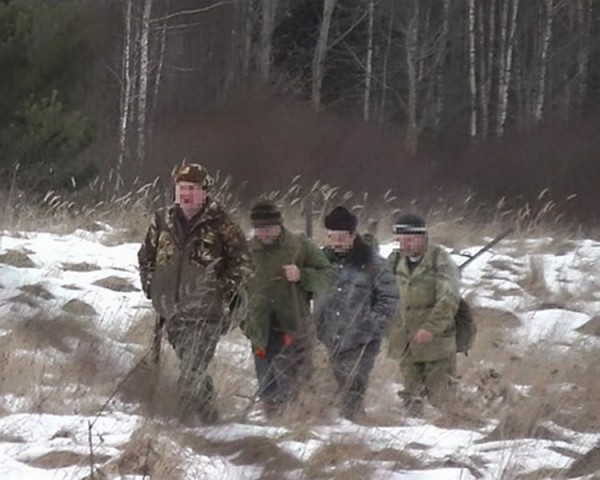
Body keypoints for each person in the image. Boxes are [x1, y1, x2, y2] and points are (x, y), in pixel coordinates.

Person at [137, 163, 250, 422]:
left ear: (204, 192)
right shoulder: (161, 221)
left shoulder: (223, 225)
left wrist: (223, 293)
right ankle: (210, 418)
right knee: (192, 366)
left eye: (191, 188)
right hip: (173, 311)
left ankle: (185, 419)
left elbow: (242, 263)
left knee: (192, 368)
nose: (185, 193)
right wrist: (152, 287)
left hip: (207, 313)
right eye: (181, 188)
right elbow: (146, 257)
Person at [242, 201, 334, 416]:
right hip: (260, 328)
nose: (264, 233)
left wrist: (302, 275)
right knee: (268, 387)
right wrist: (244, 321)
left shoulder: (300, 245)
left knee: (295, 383)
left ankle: (296, 424)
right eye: (259, 229)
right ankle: (273, 425)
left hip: (293, 327)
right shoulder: (246, 251)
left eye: (269, 228)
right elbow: (233, 287)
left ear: (279, 225)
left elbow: (329, 276)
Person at [315, 206, 398, 420]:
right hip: (328, 337)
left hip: (361, 340)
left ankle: (353, 431)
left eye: (341, 238)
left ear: (353, 236)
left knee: (353, 387)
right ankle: (341, 430)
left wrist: (370, 327)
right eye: (332, 237)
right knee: (334, 385)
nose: (336, 243)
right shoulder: (320, 262)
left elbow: (389, 300)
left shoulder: (374, 264)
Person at [387, 213, 460, 415]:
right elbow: (382, 292)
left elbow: (448, 299)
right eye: (400, 240)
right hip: (405, 340)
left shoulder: (440, 260)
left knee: (441, 397)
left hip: (435, 341)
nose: (405, 245)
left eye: (409, 240)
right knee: (411, 396)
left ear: (423, 237)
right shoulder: (394, 261)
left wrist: (430, 327)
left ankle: (450, 433)